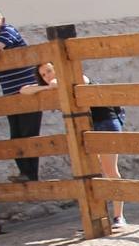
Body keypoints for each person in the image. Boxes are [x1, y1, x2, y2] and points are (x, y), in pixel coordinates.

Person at [23, 62, 128, 229]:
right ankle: (98, 216)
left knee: (109, 170)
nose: (47, 76)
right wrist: (44, 88)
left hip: (106, 123)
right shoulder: (52, 86)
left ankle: (118, 216)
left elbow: (78, 81)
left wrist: (49, 86)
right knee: (90, 171)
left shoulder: (78, 76)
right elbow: (24, 90)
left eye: (50, 70)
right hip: (87, 128)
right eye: (43, 74)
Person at [0, 6, 42, 183]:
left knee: (29, 134)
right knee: (16, 136)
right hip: (10, 95)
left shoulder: (8, 30)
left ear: (2, 20)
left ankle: (31, 175)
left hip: (29, 91)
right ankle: (25, 174)